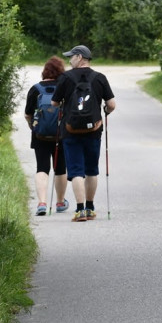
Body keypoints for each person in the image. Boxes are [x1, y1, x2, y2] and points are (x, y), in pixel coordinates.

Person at [51, 45, 115, 222]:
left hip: (71, 131)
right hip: (94, 131)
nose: (69, 60)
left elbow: (55, 103)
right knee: (91, 170)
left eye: (71, 57)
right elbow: (112, 105)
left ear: (79, 57)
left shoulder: (66, 78)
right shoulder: (100, 78)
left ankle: (79, 211)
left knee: (76, 171)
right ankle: (90, 207)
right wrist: (105, 111)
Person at [24, 56, 70, 216]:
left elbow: (27, 114)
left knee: (42, 168)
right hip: (61, 134)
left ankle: (42, 203)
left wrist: (33, 127)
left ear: (45, 71)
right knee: (60, 169)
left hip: (40, 135)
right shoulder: (65, 87)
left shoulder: (35, 89)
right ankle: (59, 202)